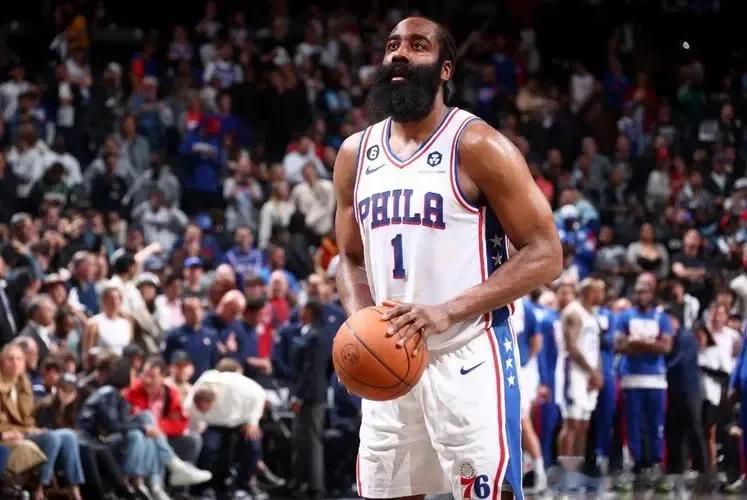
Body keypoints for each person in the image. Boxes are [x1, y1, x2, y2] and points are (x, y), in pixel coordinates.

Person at [333, 17, 562, 499]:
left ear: (445, 69)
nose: (400, 53)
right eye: (393, 44)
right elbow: (349, 259)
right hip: (391, 358)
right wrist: (361, 324)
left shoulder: (477, 145)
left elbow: (546, 253)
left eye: (418, 45)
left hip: (468, 354)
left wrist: (446, 311)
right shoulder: (356, 154)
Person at [0, 343, 85, 499]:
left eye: (19, 359)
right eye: (10, 359)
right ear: (2, 362)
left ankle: (74, 490)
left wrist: (33, 429)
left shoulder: (24, 383)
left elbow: (29, 416)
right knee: (51, 437)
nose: (15, 363)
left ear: (24, 363)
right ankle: (40, 488)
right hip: (9, 434)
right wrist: (26, 430)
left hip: (25, 431)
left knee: (69, 436)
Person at [614, 281, 672, 490]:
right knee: (632, 426)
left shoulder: (661, 318)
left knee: (656, 426)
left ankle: (656, 466)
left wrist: (636, 342)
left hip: (656, 380)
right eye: (638, 292)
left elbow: (665, 347)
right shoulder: (625, 316)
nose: (641, 295)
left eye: (645, 292)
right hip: (631, 379)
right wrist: (651, 344)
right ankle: (634, 466)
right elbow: (619, 345)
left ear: (652, 293)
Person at [184, 357, 267, 500]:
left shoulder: (236, 383)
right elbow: (192, 413)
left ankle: (242, 486)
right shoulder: (204, 385)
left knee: (252, 443)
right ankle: (206, 487)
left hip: (240, 423)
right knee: (207, 447)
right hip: (215, 424)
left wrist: (253, 421)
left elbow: (259, 394)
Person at [556, 279, 604, 490]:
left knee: (583, 425)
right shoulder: (574, 312)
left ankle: (577, 474)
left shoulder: (592, 314)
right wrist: (592, 371)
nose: (602, 295)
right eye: (599, 291)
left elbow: (594, 348)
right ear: (588, 292)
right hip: (573, 373)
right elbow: (572, 347)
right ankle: (566, 476)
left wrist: (598, 373)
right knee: (572, 424)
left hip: (588, 375)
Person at [287, 300, 331, 499]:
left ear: (310, 312)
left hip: (310, 396)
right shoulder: (314, 334)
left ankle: (315, 486)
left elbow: (309, 370)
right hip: (311, 394)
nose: (300, 312)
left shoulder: (314, 336)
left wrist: (298, 396)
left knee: (312, 441)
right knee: (302, 440)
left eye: (303, 309)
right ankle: (302, 482)